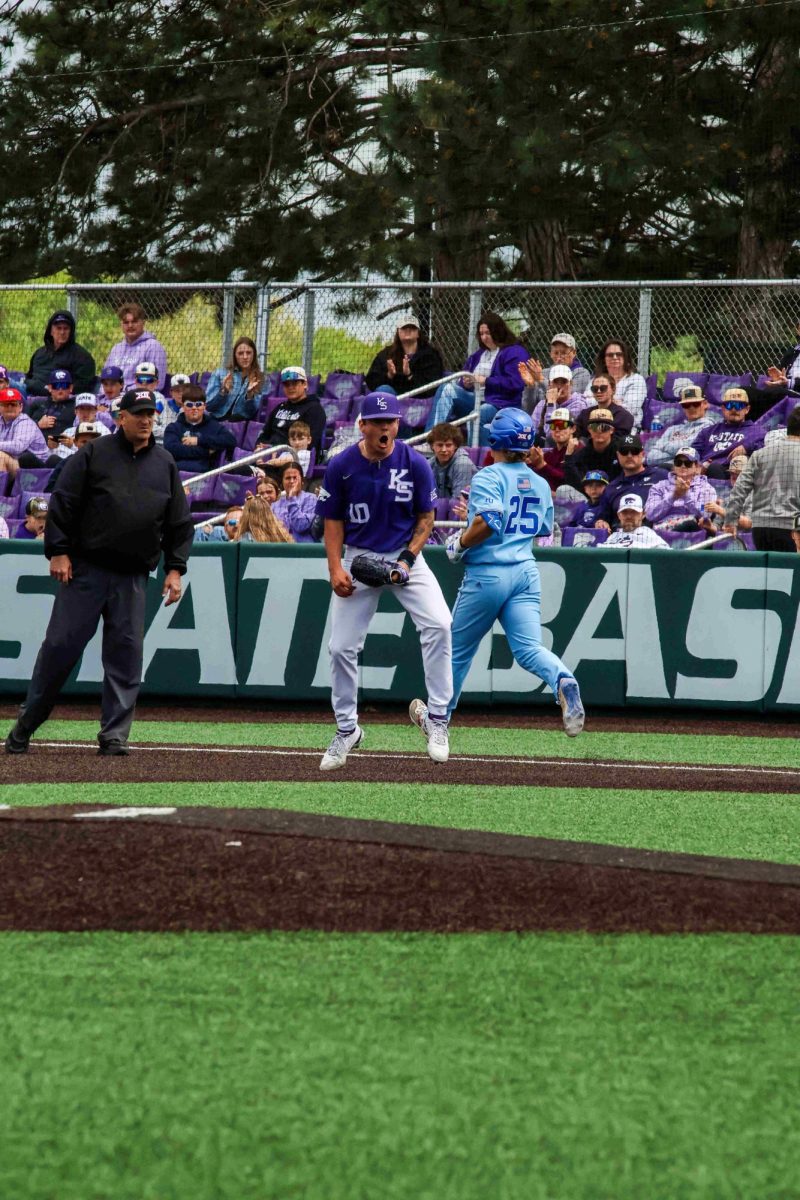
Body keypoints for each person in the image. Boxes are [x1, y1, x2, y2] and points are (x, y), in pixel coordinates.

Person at [4, 389, 193, 757]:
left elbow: (179, 523)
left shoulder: (164, 462)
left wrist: (175, 569)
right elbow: (64, 501)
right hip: (87, 571)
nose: (145, 419)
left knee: (126, 656)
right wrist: (58, 551)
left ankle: (114, 735)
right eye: (137, 413)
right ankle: (28, 721)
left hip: (133, 577)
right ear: (120, 417)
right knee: (60, 647)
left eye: (150, 413)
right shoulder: (95, 453)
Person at [317, 390, 452, 769]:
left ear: (398, 424)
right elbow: (332, 523)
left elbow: (426, 520)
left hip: (405, 556)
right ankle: (347, 730)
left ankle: (438, 720)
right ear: (362, 425)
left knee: (440, 624)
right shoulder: (342, 465)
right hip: (358, 558)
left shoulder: (415, 463)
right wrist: (334, 569)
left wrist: (408, 560)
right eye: (377, 421)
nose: (385, 427)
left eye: (390, 420)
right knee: (341, 647)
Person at [432, 408, 584, 739]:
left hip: (488, 572)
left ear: (496, 439)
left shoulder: (488, 475)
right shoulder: (541, 483)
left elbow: (489, 523)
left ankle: (439, 720)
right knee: (529, 648)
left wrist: (459, 543)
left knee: (457, 650)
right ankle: (562, 678)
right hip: (525, 570)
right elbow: (542, 526)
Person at [424, 312, 529, 443]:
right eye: (481, 334)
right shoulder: (479, 354)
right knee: (447, 389)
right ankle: (431, 439)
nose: (484, 337)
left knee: (478, 414)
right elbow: (465, 375)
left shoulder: (514, 351)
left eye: (488, 333)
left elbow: (515, 383)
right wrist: (465, 383)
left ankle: (474, 456)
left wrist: (486, 381)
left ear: (499, 332)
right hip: (476, 398)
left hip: (501, 403)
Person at [723, 404, 800, 551]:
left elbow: (739, 489)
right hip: (793, 530)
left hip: (760, 530)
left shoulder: (761, 454)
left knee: (768, 574)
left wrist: (730, 521)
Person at [594, 434, 669, 527]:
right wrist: (601, 522)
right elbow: (603, 518)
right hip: (622, 536)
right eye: (624, 452)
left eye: (634, 451)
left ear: (643, 454)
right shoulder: (611, 488)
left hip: (658, 535)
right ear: (618, 455)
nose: (629, 456)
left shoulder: (661, 476)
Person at [256, 366, 327, 458]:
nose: (290, 387)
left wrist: (276, 451)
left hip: (292, 458)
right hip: (268, 454)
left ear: (304, 384)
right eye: (287, 384)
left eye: (294, 383)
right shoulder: (279, 408)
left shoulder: (315, 409)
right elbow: (265, 433)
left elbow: (309, 443)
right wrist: (260, 446)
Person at [692, 388, 764, 478]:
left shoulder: (757, 431)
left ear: (747, 409)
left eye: (739, 405)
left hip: (730, 474)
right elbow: (693, 452)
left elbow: (769, 449)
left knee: (714, 467)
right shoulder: (708, 431)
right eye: (730, 405)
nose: (734, 409)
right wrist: (696, 465)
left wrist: (748, 447)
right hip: (701, 470)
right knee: (670, 467)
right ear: (723, 409)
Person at [365, 317, 445, 397]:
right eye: (404, 328)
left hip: (421, 399)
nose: (408, 330)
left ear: (418, 333)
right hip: (393, 397)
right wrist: (389, 375)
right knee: (383, 390)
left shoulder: (430, 355)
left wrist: (410, 375)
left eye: (412, 328)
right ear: (398, 332)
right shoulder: (386, 355)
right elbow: (371, 381)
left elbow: (433, 385)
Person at [162, 386, 236, 473]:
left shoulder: (214, 426)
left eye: (198, 404)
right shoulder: (173, 428)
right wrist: (205, 451)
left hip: (205, 478)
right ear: (183, 406)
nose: (194, 408)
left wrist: (199, 441)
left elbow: (230, 440)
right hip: (177, 476)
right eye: (189, 404)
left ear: (204, 406)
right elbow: (172, 449)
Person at [645, 385, 722, 467]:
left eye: (695, 404)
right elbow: (650, 458)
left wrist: (664, 446)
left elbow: (689, 452)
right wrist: (677, 455)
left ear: (705, 404)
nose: (691, 408)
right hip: (662, 470)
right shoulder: (672, 429)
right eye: (686, 405)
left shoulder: (709, 427)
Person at [24, 310, 96, 397]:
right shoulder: (39, 354)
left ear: (71, 331)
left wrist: (54, 390)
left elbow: (84, 385)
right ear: (51, 331)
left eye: (66, 328)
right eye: (58, 328)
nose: (62, 332)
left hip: (62, 400)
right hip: (31, 396)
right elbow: (29, 377)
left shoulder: (82, 357)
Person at [645, 448, 717, 533]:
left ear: (697, 467)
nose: (683, 466)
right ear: (674, 466)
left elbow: (705, 513)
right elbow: (650, 514)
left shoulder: (706, 488)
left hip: (691, 533)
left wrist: (686, 496)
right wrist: (673, 497)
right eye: (678, 463)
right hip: (661, 531)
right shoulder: (659, 487)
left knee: (690, 524)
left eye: (688, 463)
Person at [518, 332, 591, 413]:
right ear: (550, 354)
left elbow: (565, 399)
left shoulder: (581, 373)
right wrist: (530, 387)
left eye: (563, 353)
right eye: (556, 353)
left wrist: (541, 380)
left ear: (574, 353)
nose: (559, 357)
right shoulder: (544, 372)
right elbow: (528, 409)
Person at [584, 339, 647, 429]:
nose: (614, 357)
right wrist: (614, 402)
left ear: (625, 357)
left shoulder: (636, 379)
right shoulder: (596, 379)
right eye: (610, 355)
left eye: (619, 354)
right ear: (604, 359)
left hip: (624, 427)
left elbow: (629, 410)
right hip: (595, 427)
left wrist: (600, 401)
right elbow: (585, 403)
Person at [103, 303, 168, 390]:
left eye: (134, 321)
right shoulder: (116, 349)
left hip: (138, 399)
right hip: (112, 398)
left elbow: (158, 384)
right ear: (121, 325)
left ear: (143, 323)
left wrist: (124, 391)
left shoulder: (153, 347)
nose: (130, 325)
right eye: (126, 322)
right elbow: (104, 380)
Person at [205, 337, 265, 421]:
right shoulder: (220, 373)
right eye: (240, 353)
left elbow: (251, 413)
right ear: (235, 356)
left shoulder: (259, 378)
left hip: (239, 425)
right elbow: (208, 406)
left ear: (254, 354)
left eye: (248, 353)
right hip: (216, 421)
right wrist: (223, 391)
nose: (245, 357)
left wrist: (249, 396)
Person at [563, 408, 623, 491]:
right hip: (590, 495)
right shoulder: (583, 453)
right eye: (594, 427)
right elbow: (574, 481)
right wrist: (568, 455)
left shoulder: (622, 451)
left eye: (604, 427)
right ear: (589, 429)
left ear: (611, 430)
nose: (599, 431)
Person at [528, 365, 589, 443]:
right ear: (549, 384)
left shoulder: (579, 405)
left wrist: (551, 404)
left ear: (571, 383)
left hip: (566, 448)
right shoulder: (542, 403)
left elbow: (551, 435)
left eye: (564, 382)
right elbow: (532, 430)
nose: (559, 386)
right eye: (556, 382)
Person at [525, 407, 577, 495]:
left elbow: (570, 481)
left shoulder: (578, 450)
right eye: (553, 426)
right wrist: (529, 462)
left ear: (573, 429)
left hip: (569, 502)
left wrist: (542, 465)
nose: (557, 429)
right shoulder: (550, 454)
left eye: (561, 425)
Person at [0, 386, 49, 478]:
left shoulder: (25, 422)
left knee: (0, 456)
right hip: (17, 464)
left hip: (38, 470)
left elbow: (18, 447)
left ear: (20, 407)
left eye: (13, 404)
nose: (10, 407)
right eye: (6, 404)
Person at [29, 370, 78, 455]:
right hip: (36, 450)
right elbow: (22, 426)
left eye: (64, 385)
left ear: (71, 388)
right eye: (56, 385)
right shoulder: (37, 404)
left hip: (63, 450)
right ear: (49, 388)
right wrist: (38, 424)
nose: (60, 389)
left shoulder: (77, 406)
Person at [573, 374, 634, 440]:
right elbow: (574, 433)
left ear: (613, 390)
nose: (599, 391)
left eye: (603, 388)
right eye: (595, 389)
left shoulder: (624, 416)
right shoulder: (585, 414)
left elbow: (618, 441)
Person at [45, 422, 104, 490]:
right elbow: (50, 489)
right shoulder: (66, 463)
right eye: (84, 442)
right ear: (75, 442)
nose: (88, 445)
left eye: (92, 441)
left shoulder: (104, 463)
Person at [426, 423, 477, 498]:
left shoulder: (463, 464)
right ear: (432, 446)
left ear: (456, 445)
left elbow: (459, 502)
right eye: (440, 445)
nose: (444, 450)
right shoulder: (428, 464)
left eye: (448, 445)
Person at [271, 462, 318, 542]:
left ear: (302, 480)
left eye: (295, 477)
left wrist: (292, 498)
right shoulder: (275, 505)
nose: (292, 481)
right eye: (288, 478)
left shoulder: (311, 499)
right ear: (282, 481)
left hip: (305, 550)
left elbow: (301, 525)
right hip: (281, 549)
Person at [604, 494, 670, 549]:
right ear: (619, 515)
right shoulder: (613, 537)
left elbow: (667, 558)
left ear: (643, 514)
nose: (629, 516)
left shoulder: (651, 536)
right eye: (625, 512)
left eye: (633, 512)